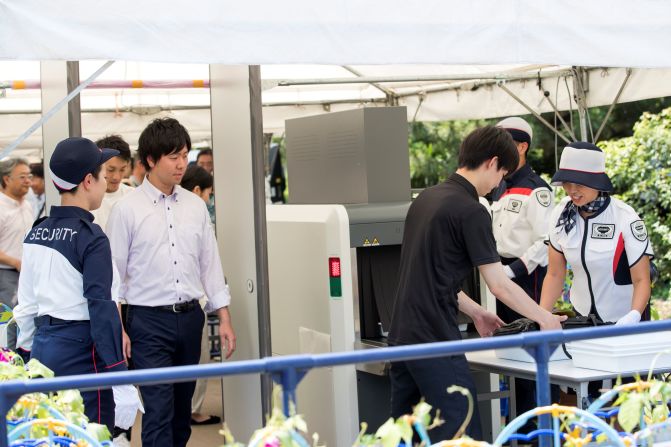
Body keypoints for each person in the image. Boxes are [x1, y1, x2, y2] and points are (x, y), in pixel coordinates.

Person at [387, 126, 565, 441]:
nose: (499, 183)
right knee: (463, 430)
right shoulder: (471, 210)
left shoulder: (426, 199)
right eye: (502, 174)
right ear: (492, 162)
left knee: (406, 433)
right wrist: (544, 317)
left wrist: (477, 313)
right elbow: (499, 284)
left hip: (402, 335)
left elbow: (434, 276)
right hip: (434, 336)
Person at [107, 118, 236, 447]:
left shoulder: (195, 206)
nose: (182, 164)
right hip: (147, 322)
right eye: (174, 157)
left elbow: (210, 263)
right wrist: (118, 327)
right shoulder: (126, 210)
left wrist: (224, 317)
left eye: (185, 156)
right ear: (151, 160)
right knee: (158, 412)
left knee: (182, 412)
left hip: (190, 318)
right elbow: (113, 275)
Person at [13, 137, 129, 433]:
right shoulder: (91, 236)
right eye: (104, 175)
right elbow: (101, 308)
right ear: (89, 180)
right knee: (89, 434)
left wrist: (27, 356)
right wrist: (120, 374)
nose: (108, 182)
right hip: (84, 354)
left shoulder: (36, 232)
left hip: (42, 349)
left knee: (50, 434)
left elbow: (25, 306)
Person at [540, 142, 653, 325]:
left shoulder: (625, 217)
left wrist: (633, 316)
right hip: (582, 317)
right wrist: (542, 317)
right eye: (567, 183)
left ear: (596, 183)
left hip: (625, 317)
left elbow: (641, 280)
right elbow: (554, 274)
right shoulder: (561, 215)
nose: (572, 190)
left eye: (579, 184)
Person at [491, 117, 555, 422]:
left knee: (528, 357)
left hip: (526, 279)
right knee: (506, 357)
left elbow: (547, 241)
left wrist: (513, 271)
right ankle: (513, 424)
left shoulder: (537, 190)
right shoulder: (498, 186)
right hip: (497, 278)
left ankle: (535, 426)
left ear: (522, 146)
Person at [179, 165, 221, 425]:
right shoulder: (198, 217)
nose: (210, 199)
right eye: (209, 193)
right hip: (195, 302)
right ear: (197, 191)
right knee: (199, 357)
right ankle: (192, 409)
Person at [0, 157, 35, 349]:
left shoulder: (27, 205)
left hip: (26, 274)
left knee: (26, 319)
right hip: (6, 274)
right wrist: (14, 261)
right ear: (6, 179)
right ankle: (9, 362)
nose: (28, 181)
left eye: (29, 176)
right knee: (11, 321)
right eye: (22, 177)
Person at [90, 135, 134, 231]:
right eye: (111, 170)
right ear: (97, 165)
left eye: (122, 169)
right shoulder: (88, 200)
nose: (116, 177)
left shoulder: (133, 196)